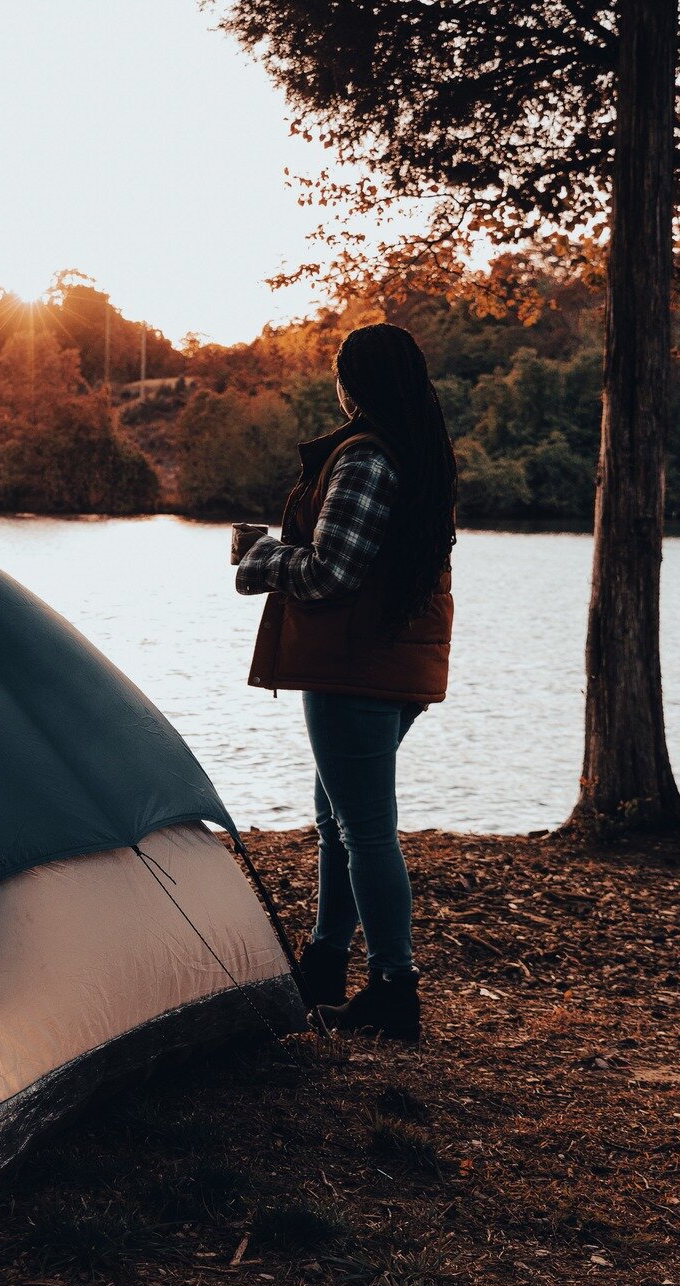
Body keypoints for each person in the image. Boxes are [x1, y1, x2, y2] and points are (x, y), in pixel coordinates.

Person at [233, 323, 456, 1043]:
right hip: (386, 664)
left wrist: (261, 557)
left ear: (350, 383)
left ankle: (396, 989)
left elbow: (331, 571)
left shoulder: (364, 458)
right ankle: (327, 962)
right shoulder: (418, 451)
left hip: (354, 667)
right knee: (338, 823)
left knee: (364, 831)